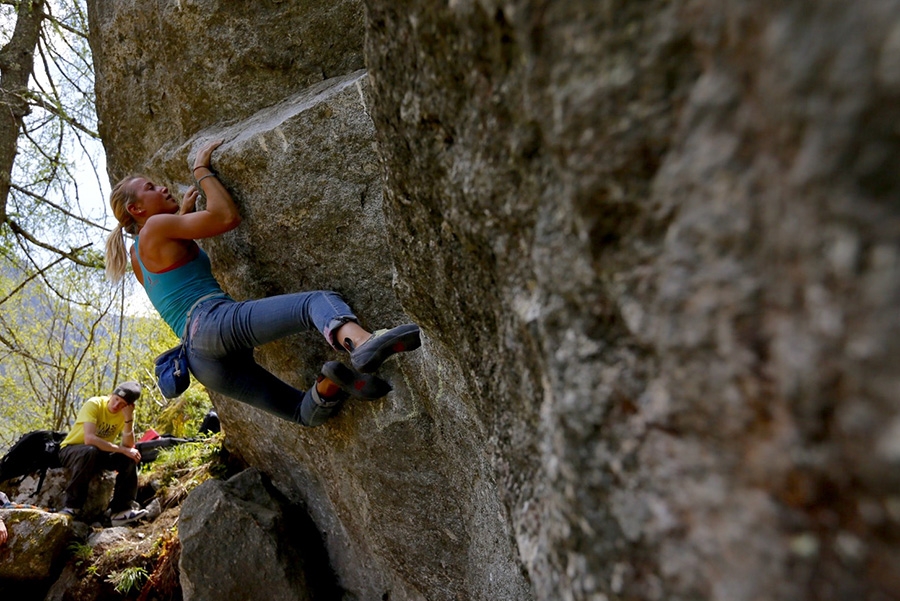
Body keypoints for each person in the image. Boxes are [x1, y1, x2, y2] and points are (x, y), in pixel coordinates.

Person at [104, 139, 421, 427]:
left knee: (299, 412)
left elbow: (175, 264)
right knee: (316, 303)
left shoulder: (137, 255)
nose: (161, 188)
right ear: (137, 208)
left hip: (201, 362)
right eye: (150, 187)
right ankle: (361, 343)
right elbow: (226, 217)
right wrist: (202, 169)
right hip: (212, 323)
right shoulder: (157, 227)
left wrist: (184, 211)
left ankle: (330, 383)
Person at [58, 382, 149, 526]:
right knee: (91, 451)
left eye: (122, 404)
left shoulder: (125, 414)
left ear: (128, 406)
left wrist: (128, 420)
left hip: (98, 453)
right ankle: (72, 507)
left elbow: (128, 446)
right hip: (72, 450)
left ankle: (121, 511)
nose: (116, 405)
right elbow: (89, 439)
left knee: (129, 457)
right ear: (111, 395)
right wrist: (123, 449)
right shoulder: (94, 404)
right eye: (116, 399)